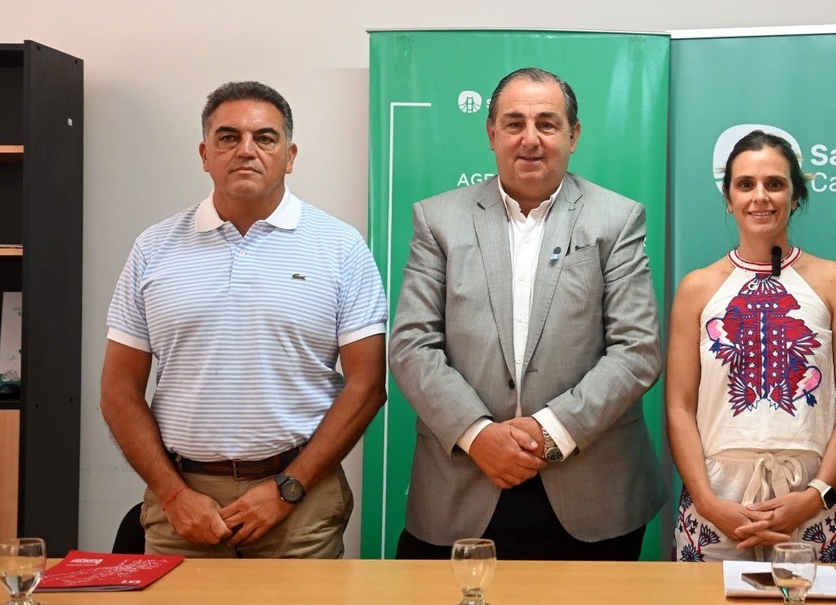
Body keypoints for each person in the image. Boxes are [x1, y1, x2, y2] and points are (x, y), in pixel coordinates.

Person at [100, 81, 389, 558]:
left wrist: (287, 488)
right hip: (183, 505)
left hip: (300, 503)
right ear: (205, 154)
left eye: (265, 138)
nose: (246, 150)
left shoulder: (341, 247)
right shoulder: (154, 248)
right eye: (228, 137)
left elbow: (368, 386)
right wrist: (173, 495)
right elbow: (118, 390)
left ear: (290, 156)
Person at [388, 67, 665, 560]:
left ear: (573, 135)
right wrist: (478, 436)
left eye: (547, 124)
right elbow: (412, 345)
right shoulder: (437, 219)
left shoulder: (617, 219)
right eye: (514, 123)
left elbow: (637, 350)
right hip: (462, 484)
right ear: (491, 133)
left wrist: (549, 432)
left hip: (593, 491)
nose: (530, 139)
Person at [667, 130, 836, 563]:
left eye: (774, 183)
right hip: (716, 499)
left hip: (812, 496)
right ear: (728, 198)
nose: (760, 196)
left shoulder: (834, 281)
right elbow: (679, 407)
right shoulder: (696, 289)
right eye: (745, 184)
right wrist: (707, 503)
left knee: (817, 597)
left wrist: (815, 495)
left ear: (795, 196)